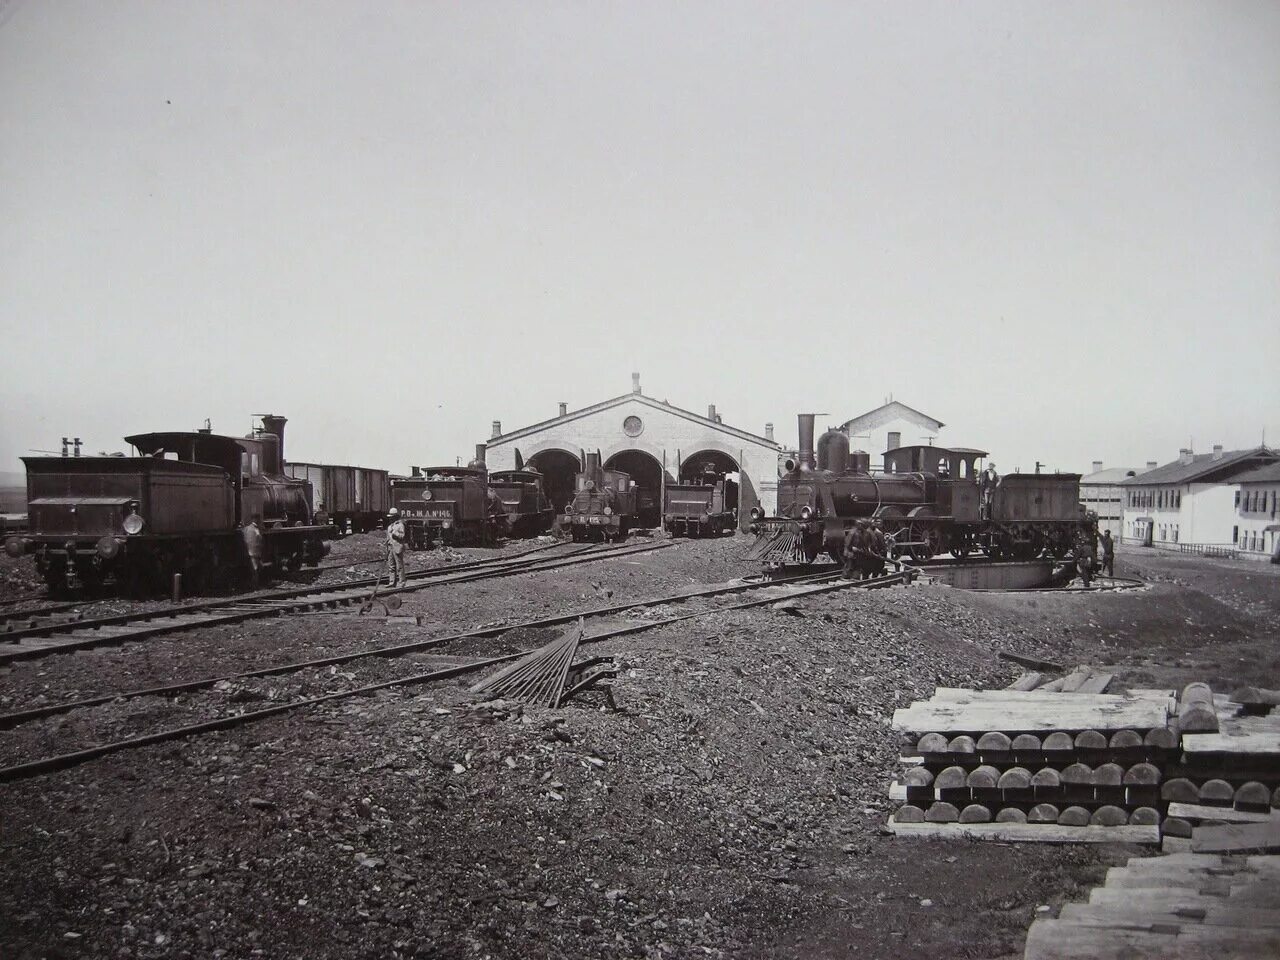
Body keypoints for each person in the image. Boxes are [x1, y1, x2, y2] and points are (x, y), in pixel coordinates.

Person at [386, 507, 407, 587]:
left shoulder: (400, 525)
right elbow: (388, 537)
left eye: (391, 517)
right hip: (390, 547)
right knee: (391, 565)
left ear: (395, 517)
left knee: (399, 566)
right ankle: (392, 582)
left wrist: (395, 534)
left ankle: (402, 582)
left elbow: (402, 536)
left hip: (397, 547)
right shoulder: (389, 526)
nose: (390, 519)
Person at [241, 515, 264, 589]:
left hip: (250, 552)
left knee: (256, 568)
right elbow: (259, 539)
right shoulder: (256, 529)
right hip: (255, 552)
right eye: (259, 519)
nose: (260, 521)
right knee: (255, 569)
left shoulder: (246, 528)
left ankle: (253, 584)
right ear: (256, 519)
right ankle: (254, 585)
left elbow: (244, 538)